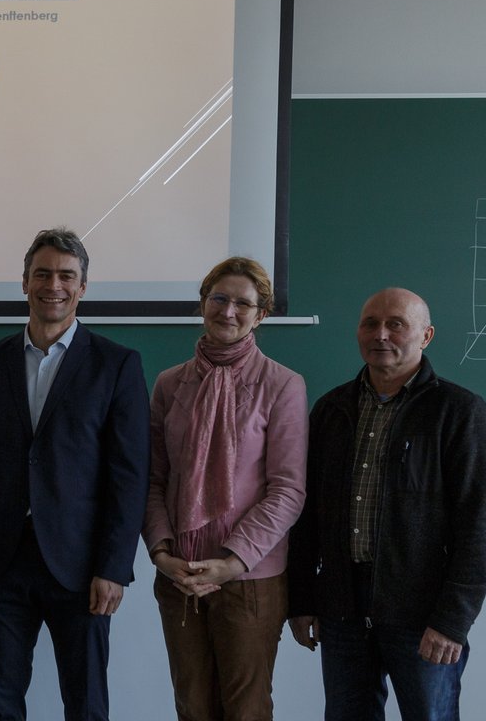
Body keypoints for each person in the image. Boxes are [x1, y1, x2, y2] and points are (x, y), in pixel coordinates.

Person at [0, 227, 150, 721]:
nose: (53, 286)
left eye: (66, 276)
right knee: (1, 706)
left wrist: (114, 567)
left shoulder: (117, 364)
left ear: (82, 287)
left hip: (81, 566)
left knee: (86, 705)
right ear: (24, 282)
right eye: (42, 274)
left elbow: (129, 476)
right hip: (0, 560)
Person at [287, 287, 486, 721]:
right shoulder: (332, 409)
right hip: (342, 609)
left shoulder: (460, 412)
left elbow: (481, 527)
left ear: (426, 336)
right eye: (370, 323)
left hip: (423, 614)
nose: (380, 334)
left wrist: (452, 621)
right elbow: (307, 515)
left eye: (396, 325)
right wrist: (302, 598)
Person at [142, 256, 307, 720]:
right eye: (219, 298)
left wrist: (232, 562)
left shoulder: (283, 385)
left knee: (245, 711)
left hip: (249, 580)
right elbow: (153, 480)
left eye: (243, 303)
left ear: (261, 314)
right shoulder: (169, 384)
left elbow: (288, 490)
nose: (228, 311)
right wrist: (162, 553)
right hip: (180, 577)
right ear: (203, 303)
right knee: (192, 707)